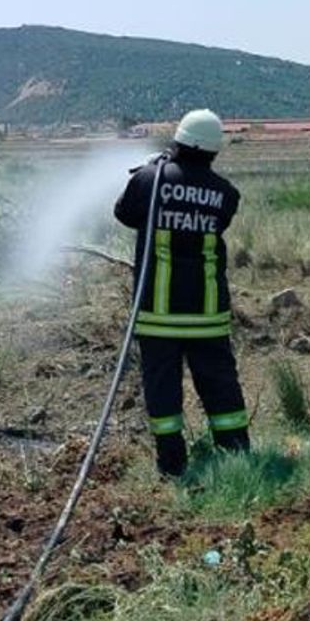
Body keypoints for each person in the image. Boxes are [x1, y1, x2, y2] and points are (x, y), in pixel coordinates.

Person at [114, 109, 250, 477]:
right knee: (220, 386)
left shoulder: (149, 179)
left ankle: (172, 466)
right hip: (207, 314)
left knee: (163, 391)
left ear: (178, 141)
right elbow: (215, 218)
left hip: (158, 315)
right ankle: (238, 457)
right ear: (214, 150)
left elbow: (124, 214)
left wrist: (153, 170)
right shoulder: (225, 193)